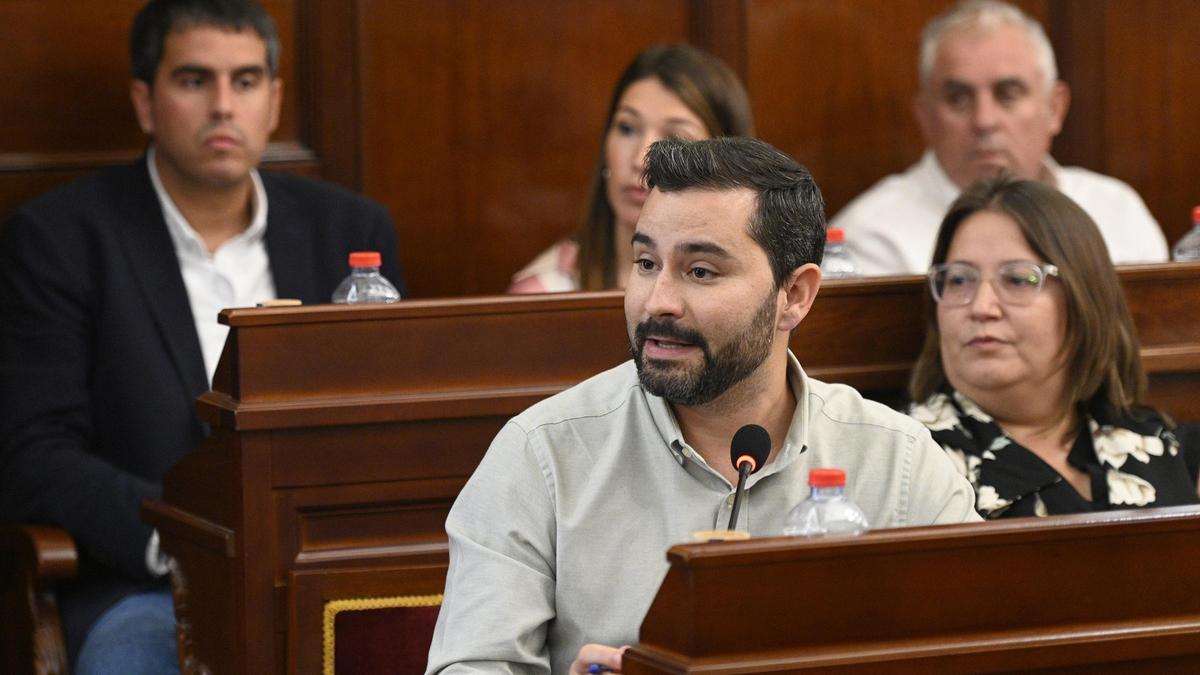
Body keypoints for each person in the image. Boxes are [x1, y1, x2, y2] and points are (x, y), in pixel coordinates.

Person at [428, 137, 979, 674]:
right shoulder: (541, 456)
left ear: (795, 296)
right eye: (646, 263)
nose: (657, 302)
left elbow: (984, 651)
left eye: (700, 272)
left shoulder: (898, 464)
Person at [0, 0, 405, 671]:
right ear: (145, 101)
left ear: (273, 102)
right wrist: (190, 535)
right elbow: (31, 454)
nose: (224, 105)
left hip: (325, 577)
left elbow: (390, 429)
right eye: (195, 80)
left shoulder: (351, 233)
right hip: (150, 583)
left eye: (245, 81)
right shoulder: (60, 240)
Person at [908, 175, 1200, 519]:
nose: (982, 306)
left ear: (1083, 299)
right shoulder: (907, 457)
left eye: (1018, 279)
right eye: (959, 279)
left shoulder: (1160, 442)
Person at [829, 0, 1168, 276]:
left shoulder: (1117, 213)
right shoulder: (871, 241)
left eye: (1008, 93)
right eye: (959, 98)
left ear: (1055, 108)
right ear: (926, 117)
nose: (984, 120)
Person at [507, 44, 753, 293]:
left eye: (675, 139)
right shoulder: (546, 291)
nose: (640, 160)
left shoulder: (753, 291)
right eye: (627, 128)